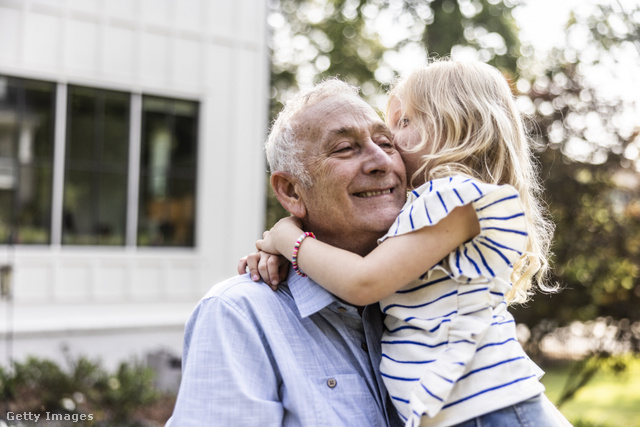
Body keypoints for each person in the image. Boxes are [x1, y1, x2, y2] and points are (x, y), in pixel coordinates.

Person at [250, 59, 567, 427]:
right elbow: (358, 251)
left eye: (403, 123)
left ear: (455, 126)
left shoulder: (455, 200)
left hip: (483, 410)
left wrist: (289, 237)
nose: (392, 145)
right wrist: (280, 252)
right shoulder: (428, 206)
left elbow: (362, 281)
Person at [166, 79, 406, 426]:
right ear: (291, 191)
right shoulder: (238, 316)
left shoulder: (430, 293)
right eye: (344, 148)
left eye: (386, 143)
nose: (381, 161)